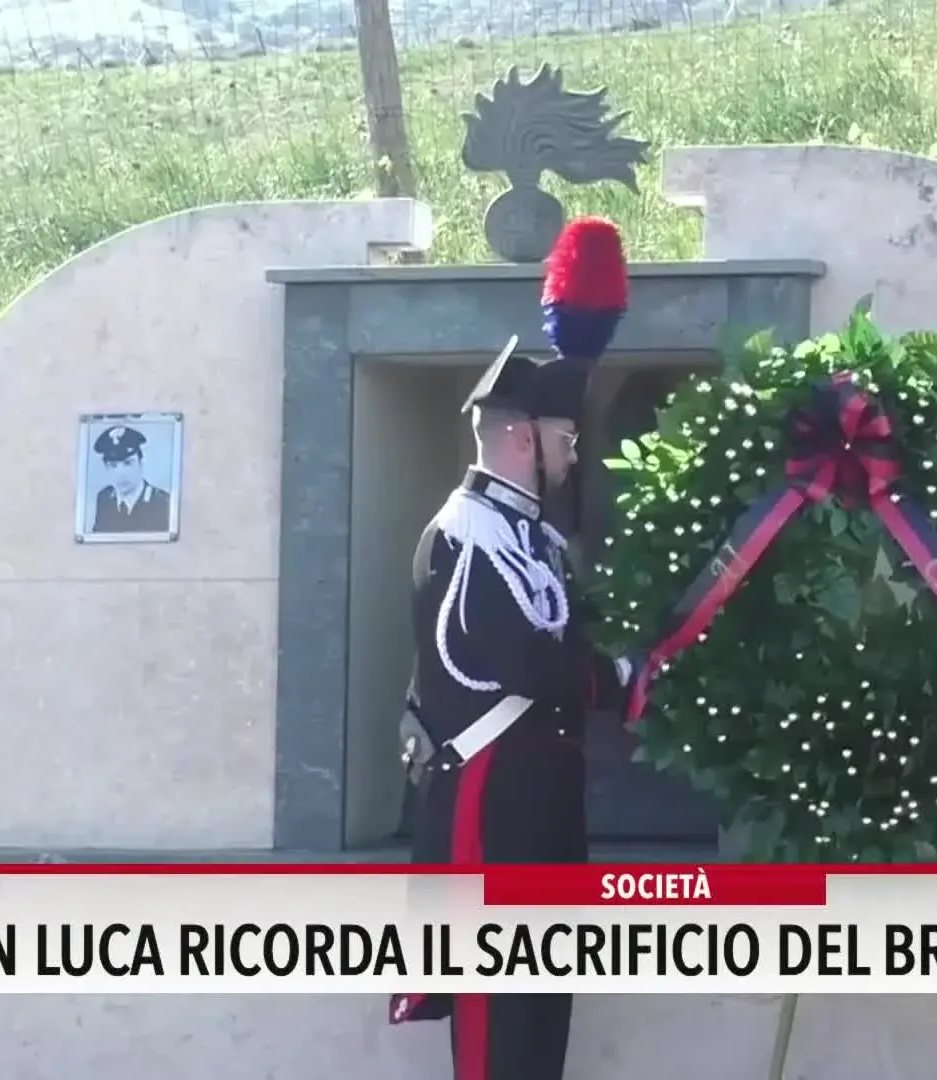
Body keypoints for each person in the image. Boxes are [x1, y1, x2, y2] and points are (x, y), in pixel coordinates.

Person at [389, 218, 643, 1080]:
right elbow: (517, 663)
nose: (575, 455)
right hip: (494, 815)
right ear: (522, 439)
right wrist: (619, 676)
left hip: (536, 809)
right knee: (502, 1028)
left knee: (540, 1022)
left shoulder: (519, 531)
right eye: (565, 440)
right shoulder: (465, 534)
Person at [89, 425, 171, 534]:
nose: (121, 473)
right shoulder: (104, 499)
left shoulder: (162, 502)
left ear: (141, 464)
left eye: (128, 463)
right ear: (106, 467)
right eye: (113, 465)